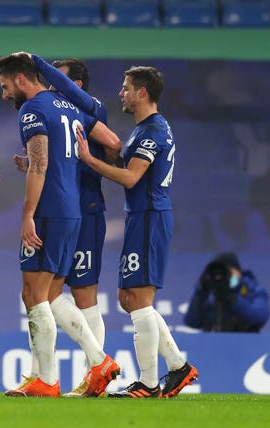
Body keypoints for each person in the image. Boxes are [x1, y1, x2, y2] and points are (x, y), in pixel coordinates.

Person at [0, 53, 120, 398]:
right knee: (50, 295)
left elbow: (39, 163)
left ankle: (50, 379)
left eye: (6, 86)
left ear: (21, 79)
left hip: (48, 210)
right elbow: (111, 141)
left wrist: (27, 214)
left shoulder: (32, 110)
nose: (5, 95)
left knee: (33, 294)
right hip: (73, 210)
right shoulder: (68, 106)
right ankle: (97, 362)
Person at [75, 65, 198, 398]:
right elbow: (131, 174)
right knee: (128, 299)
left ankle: (148, 382)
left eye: (126, 87)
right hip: (141, 217)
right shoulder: (147, 129)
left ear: (142, 92)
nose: (121, 93)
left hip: (149, 218)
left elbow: (131, 179)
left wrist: (89, 159)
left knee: (138, 301)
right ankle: (178, 366)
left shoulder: (151, 132)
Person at [184, 252, 269, 332]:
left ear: (238, 272)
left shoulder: (252, 288)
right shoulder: (210, 292)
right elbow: (192, 322)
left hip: (244, 342)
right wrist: (201, 291)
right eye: (217, 273)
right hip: (212, 342)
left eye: (228, 272)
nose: (222, 276)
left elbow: (260, 316)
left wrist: (231, 298)